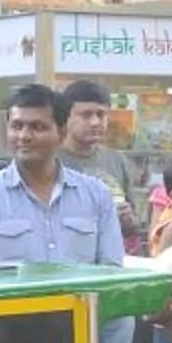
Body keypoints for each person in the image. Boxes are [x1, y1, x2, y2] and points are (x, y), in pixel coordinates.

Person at [0, 82, 126, 273]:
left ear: (61, 133)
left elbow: (111, 272)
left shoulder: (96, 195)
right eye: (17, 126)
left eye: (37, 127)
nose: (24, 136)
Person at [57, 79, 144, 256]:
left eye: (101, 114)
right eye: (86, 115)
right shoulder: (51, 161)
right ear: (66, 117)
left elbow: (134, 224)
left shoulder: (116, 160)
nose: (95, 122)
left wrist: (128, 220)